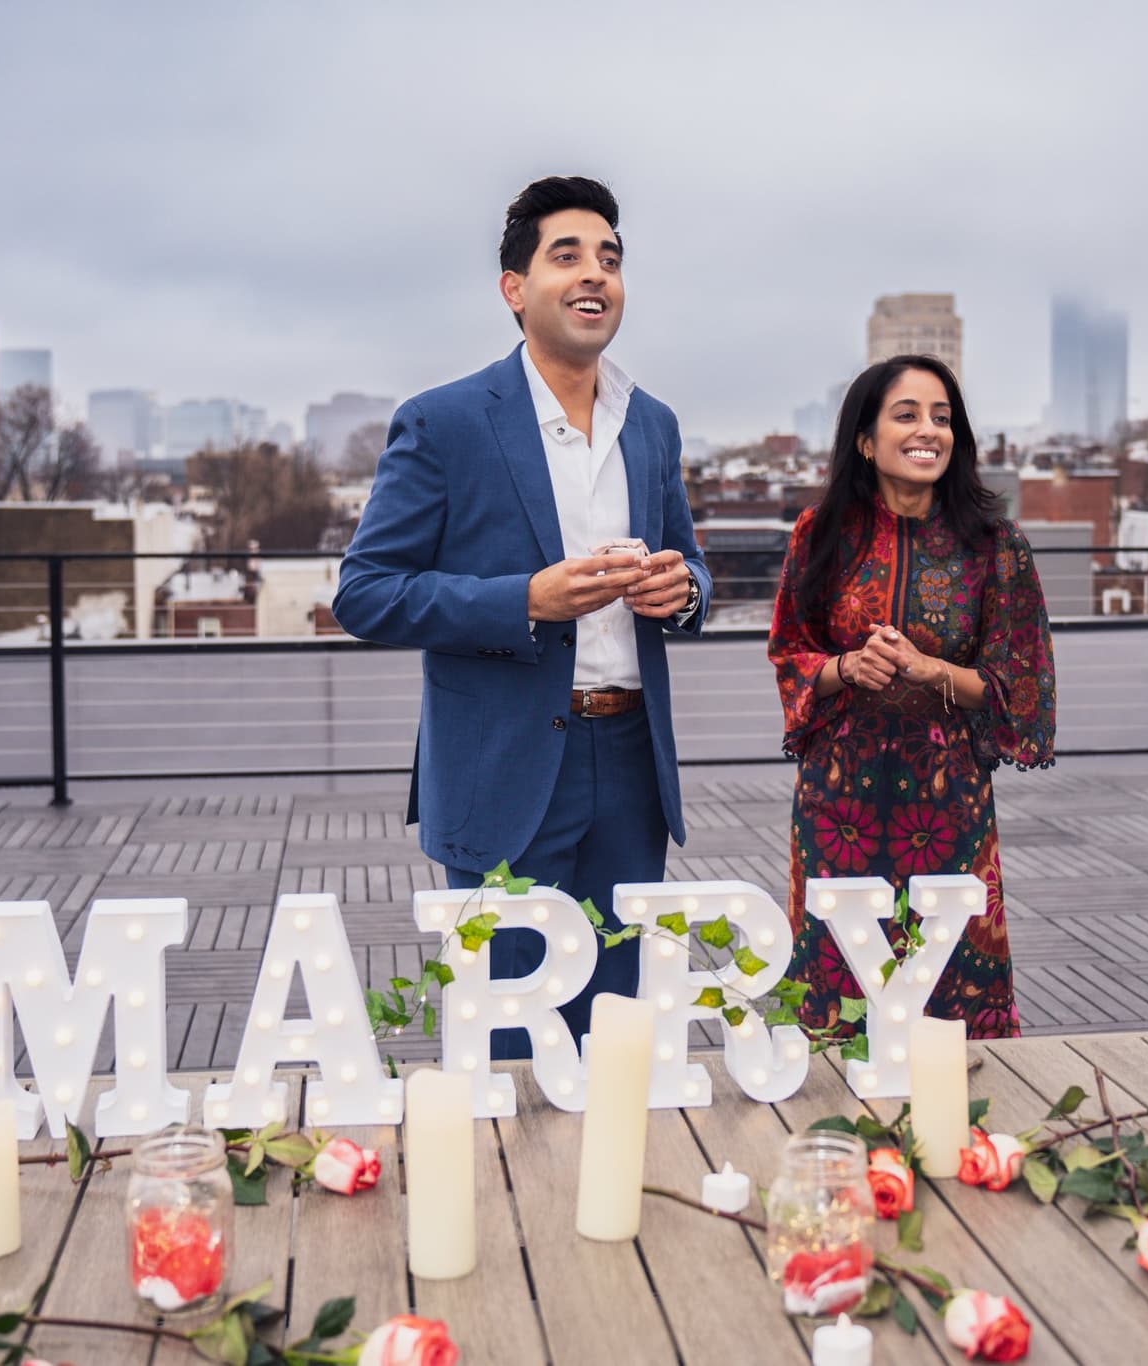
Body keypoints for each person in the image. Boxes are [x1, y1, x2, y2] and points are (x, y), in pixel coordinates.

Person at [333, 176, 709, 1054]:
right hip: (504, 768)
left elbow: (693, 562)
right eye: (567, 255)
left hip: (628, 769)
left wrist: (682, 589)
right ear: (515, 288)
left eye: (610, 259)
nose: (595, 274)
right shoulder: (445, 421)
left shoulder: (651, 424)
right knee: (507, 1047)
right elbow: (365, 591)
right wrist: (524, 601)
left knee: (619, 1040)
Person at [768, 356, 1054, 1039]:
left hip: (949, 803)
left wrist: (932, 672)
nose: (929, 430)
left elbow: (1020, 685)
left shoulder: (995, 547)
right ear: (866, 440)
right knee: (837, 990)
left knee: (950, 994)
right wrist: (845, 669)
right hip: (839, 805)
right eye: (907, 414)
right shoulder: (821, 535)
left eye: (942, 417)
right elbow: (790, 650)